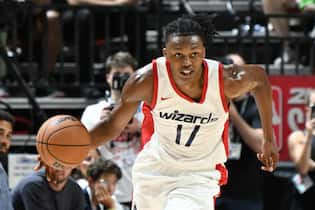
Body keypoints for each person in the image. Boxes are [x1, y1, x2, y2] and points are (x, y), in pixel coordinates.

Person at [86, 15, 279, 210]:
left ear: (203, 52)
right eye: (178, 54)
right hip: (154, 170)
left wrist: (268, 140)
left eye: (194, 54)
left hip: (198, 175)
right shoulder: (146, 80)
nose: (187, 62)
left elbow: (260, 80)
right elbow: (112, 125)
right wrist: (78, 147)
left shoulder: (225, 80)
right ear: (166, 53)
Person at [81, 51, 141, 210]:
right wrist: (103, 126)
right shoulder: (93, 112)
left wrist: (140, 127)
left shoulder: (148, 110)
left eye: (127, 75)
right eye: (117, 74)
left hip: (142, 192)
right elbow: (84, 153)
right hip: (107, 192)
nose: (121, 79)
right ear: (108, 77)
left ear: (135, 76)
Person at [215, 54, 265, 210]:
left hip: (245, 194)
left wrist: (234, 115)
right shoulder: (210, 104)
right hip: (213, 191)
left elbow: (260, 145)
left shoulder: (255, 105)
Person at [11, 161, 85, 210]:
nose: (60, 167)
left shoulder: (76, 190)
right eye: (56, 162)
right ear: (46, 162)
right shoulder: (32, 185)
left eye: (65, 162)